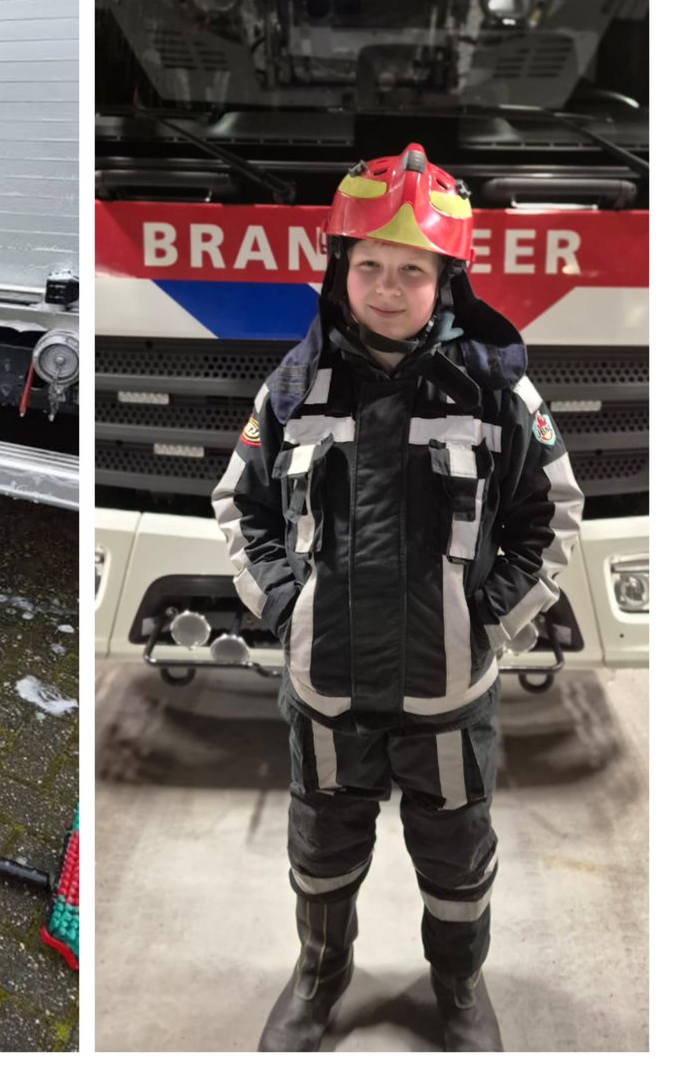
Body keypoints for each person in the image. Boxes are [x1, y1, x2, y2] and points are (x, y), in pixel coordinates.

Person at [212, 144, 584, 1051]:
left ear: (446, 281)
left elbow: (555, 516)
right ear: (338, 271)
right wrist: (286, 604)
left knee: (457, 861)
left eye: (410, 271)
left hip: (447, 697)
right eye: (368, 265)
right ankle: (319, 978)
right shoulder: (292, 391)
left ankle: (458, 988)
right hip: (327, 691)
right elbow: (240, 504)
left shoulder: (498, 392)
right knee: (322, 856)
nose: (386, 287)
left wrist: (490, 619)